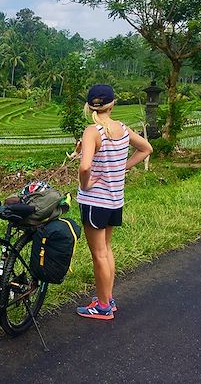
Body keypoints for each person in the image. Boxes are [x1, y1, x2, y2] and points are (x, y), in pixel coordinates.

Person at [76, 84, 153, 320]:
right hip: (114, 200)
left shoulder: (92, 131)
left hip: (94, 202)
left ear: (89, 106)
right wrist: (122, 168)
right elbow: (146, 149)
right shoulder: (122, 128)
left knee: (98, 254)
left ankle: (102, 306)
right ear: (113, 104)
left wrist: (84, 184)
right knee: (106, 249)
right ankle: (107, 299)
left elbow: (85, 166)